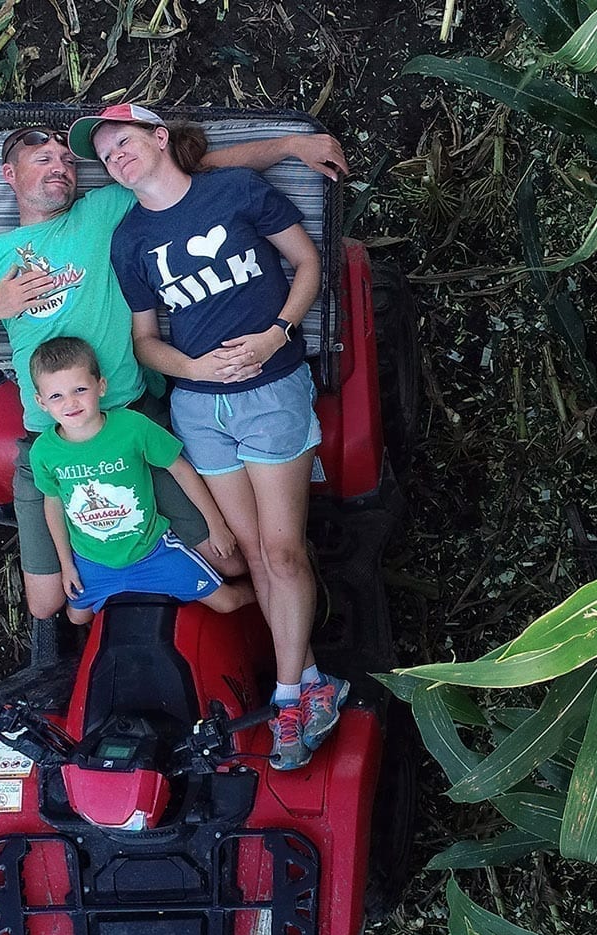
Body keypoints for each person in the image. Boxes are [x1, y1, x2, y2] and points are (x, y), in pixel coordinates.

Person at [0, 117, 348, 628]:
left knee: (236, 560)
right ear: (8, 174)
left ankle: (185, 571)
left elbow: (192, 169)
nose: (61, 168)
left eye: (68, 161)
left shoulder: (104, 210)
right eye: (43, 159)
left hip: (130, 418)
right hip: (52, 436)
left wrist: (291, 146)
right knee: (46, 606)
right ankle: (151, 567)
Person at [67, 103, 346, 771]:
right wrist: (188, 367)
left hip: (271, 392)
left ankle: (285, 697)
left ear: (160, 138)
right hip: (199, 408)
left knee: (282, 553)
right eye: (106, 156)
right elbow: (144, 342)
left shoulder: (234, 192)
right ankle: (311, 685)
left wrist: (278, 332)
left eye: (125, 142)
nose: (116, 158)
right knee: (250, 554)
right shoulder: (130, 238)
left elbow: (308, 265)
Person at [28, 336, 255, 625]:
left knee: (227, 602)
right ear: (41, 402)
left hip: (152, 552)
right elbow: (53, 502)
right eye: (56, 396)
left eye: (80, 389)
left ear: (101, 386)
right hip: (93, 561)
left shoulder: (132, 426)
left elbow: (180, 469)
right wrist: (66, 564)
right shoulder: (44, 451)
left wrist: (216, 525)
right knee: (76, 618)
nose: (70, 402)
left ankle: (269, 596)